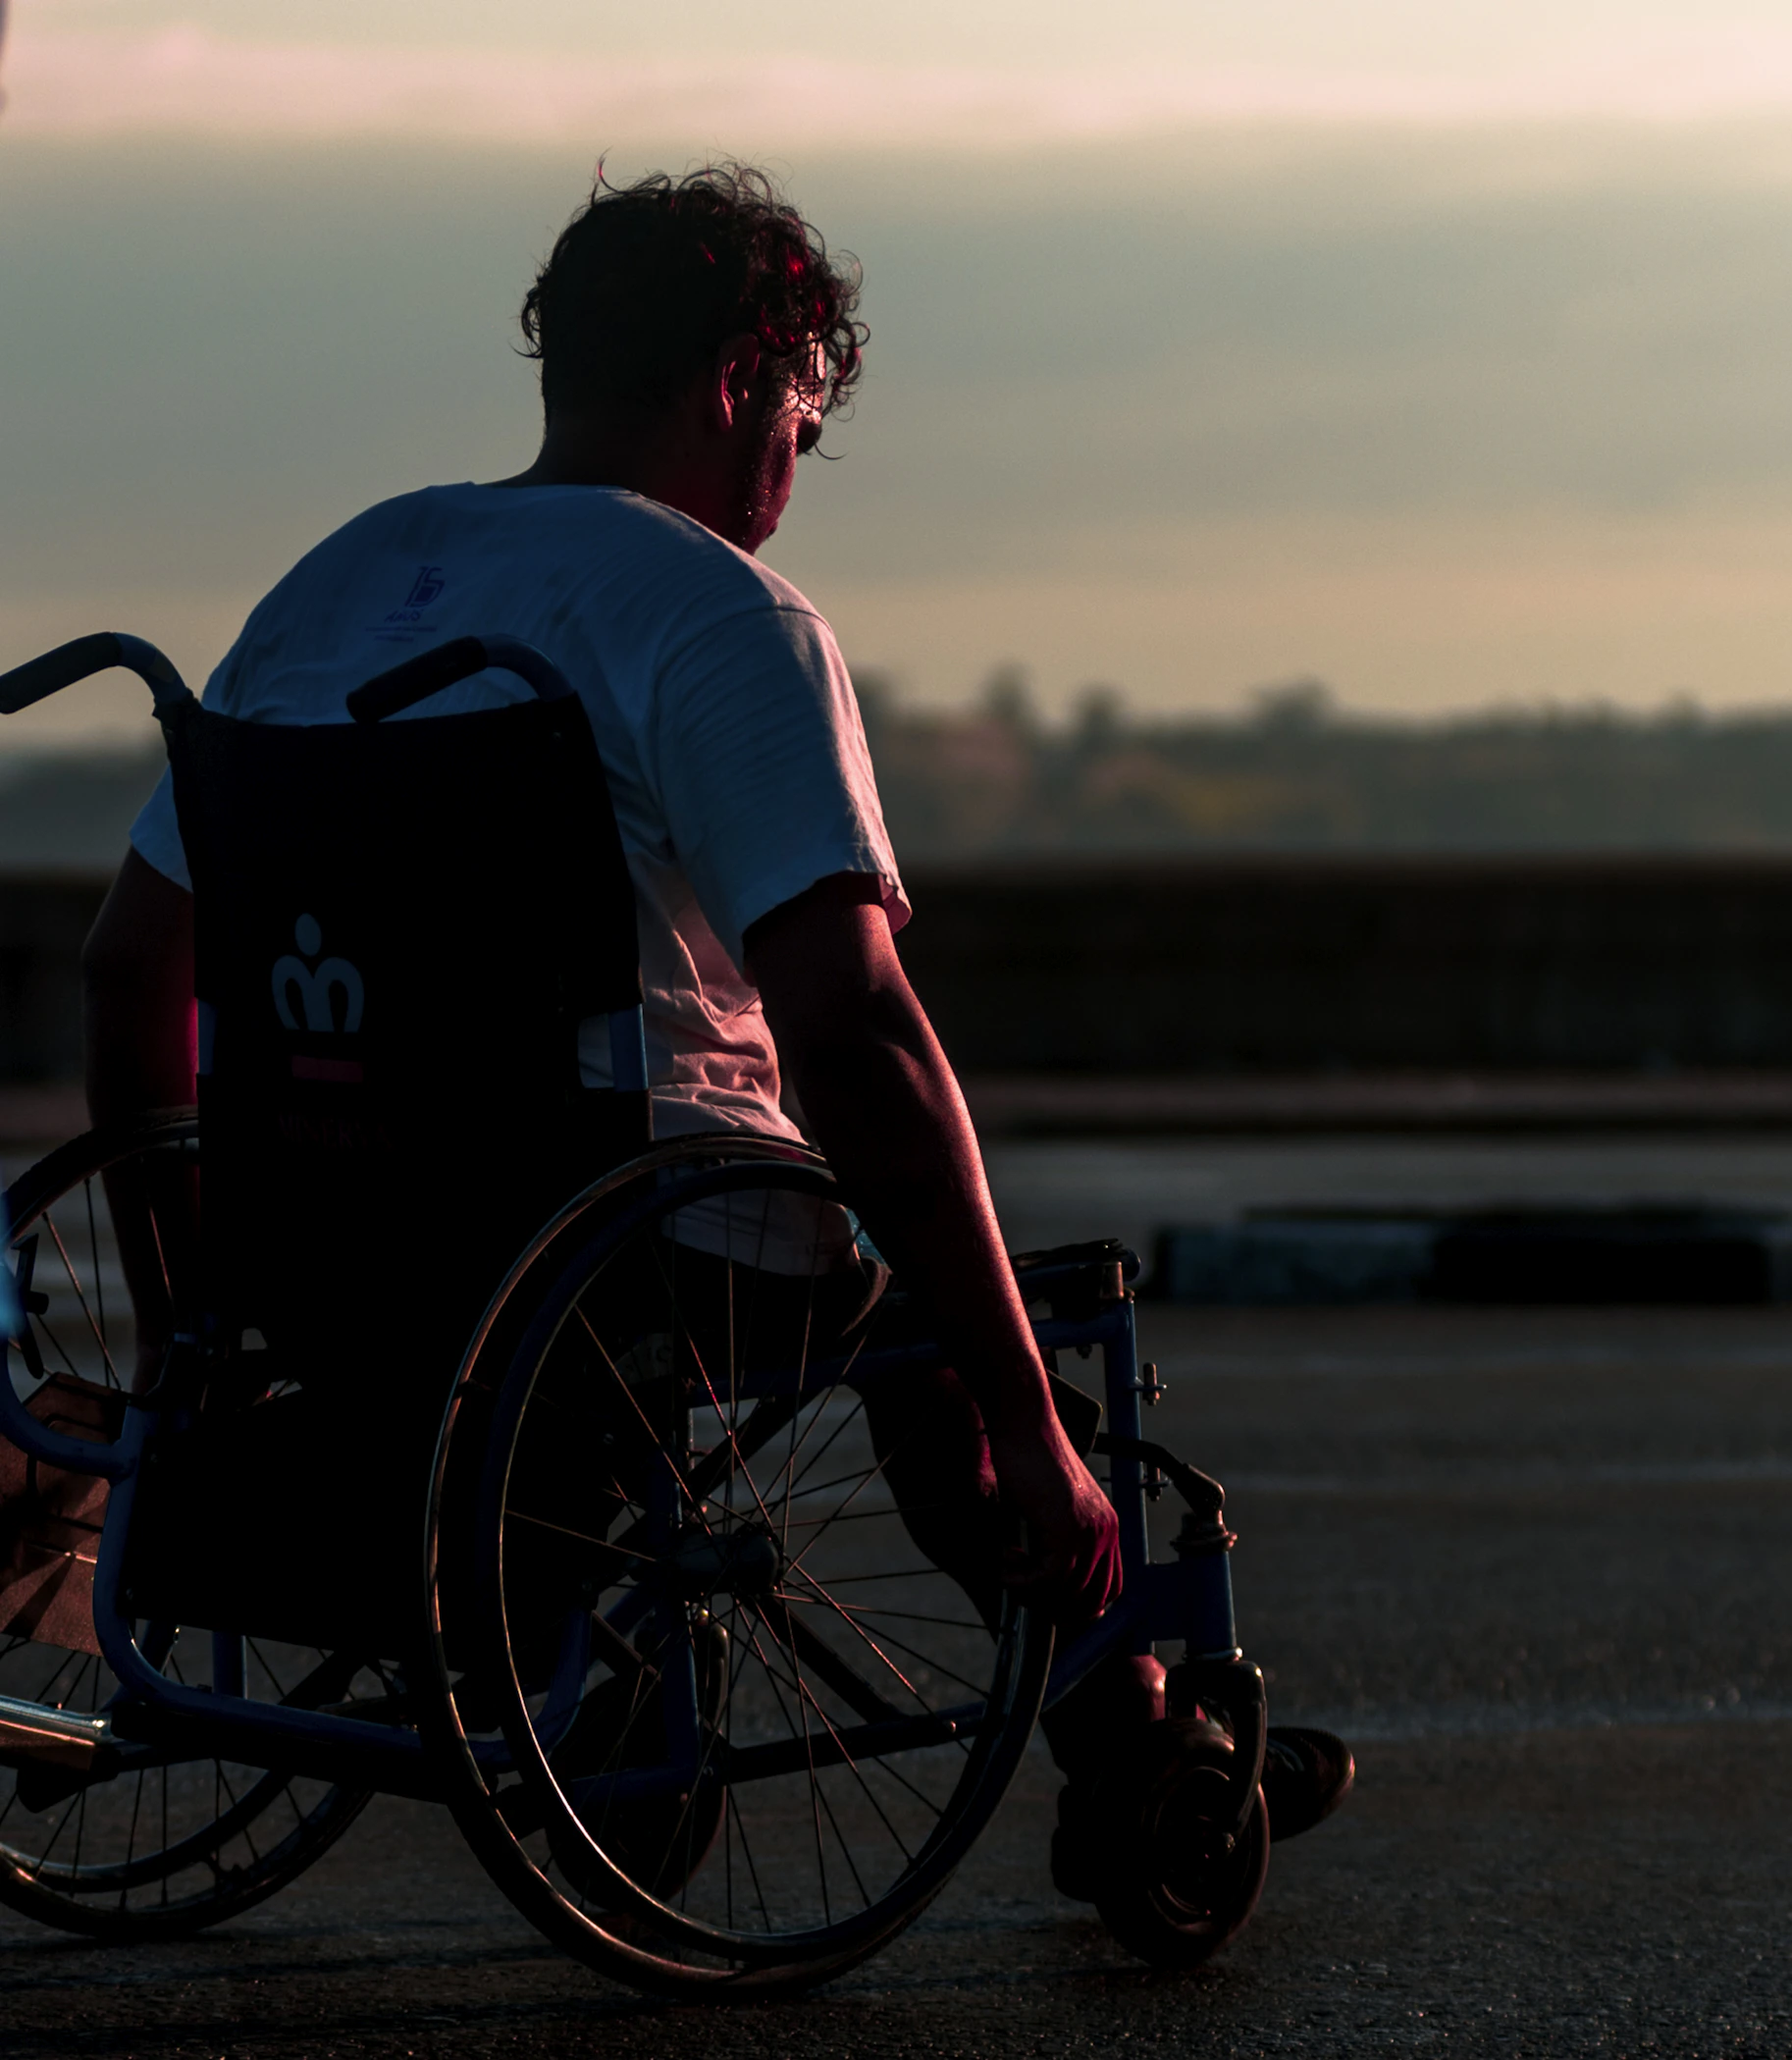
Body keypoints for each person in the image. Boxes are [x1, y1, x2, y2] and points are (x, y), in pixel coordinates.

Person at [80, 163, 1347, 1850]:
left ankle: (609, 1659)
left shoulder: (339, 581)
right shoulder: (716, 618)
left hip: (324, 1234)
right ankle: (1130, 1737)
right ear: (743, 378)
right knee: (935, 1331)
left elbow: (129, 968)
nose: (789, 480)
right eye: (799, 429)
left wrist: (183, 1317)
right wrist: (1025, 1413)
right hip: (630, 1237)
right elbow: (857, 1040)